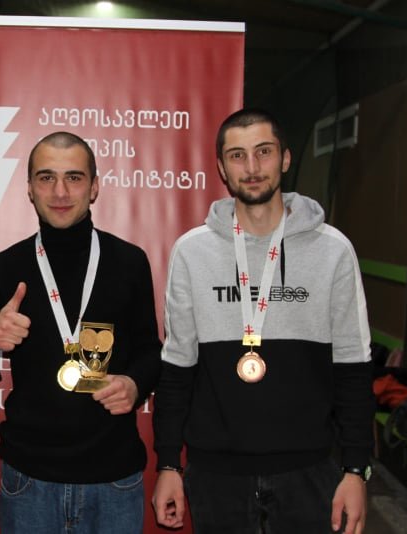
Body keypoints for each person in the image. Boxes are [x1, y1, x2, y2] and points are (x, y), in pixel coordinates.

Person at [151, 108, 375, 534]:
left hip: (311, 470)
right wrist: (168, 464)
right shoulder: (191, 252)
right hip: (215, 474)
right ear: (222, 168)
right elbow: (177, 369)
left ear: (285, 159)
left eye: (264, 152)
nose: (252, 167)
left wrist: (355, 469)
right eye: (237, 156)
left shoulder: (333, 250)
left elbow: (353, 367)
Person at [0, 131, 162, 533]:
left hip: (114, 481)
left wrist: (134, 384)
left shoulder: (129, 261)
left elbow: (151, 351)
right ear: (29, 188)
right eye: (46, 178)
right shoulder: (5, 267)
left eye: (74, 178)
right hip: (29, 481)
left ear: (94, 187)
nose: (60, 191)